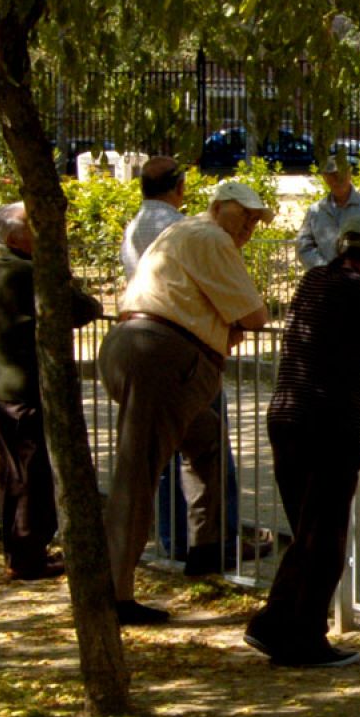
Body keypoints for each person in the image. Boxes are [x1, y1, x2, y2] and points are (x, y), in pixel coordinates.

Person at [99, 180, 270, 625]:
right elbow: (254, 315)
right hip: (163, 357)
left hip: (147, 350)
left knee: (206, 439)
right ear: (218, 208)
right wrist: (228, 324)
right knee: (137, 471)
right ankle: (112, 593)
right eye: (244, 215)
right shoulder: (211, 236)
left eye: (255, 219)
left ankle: (207, 547)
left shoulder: (184, 233)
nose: (250, 226)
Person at [244, 214, 360, 667]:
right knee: (323, 536)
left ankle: (275, 624)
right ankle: (299, 635)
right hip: (331, 426)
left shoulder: (314, 281)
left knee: (308, 530)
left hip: (288, 416)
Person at [118, 158, 257, 568]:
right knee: (204, 449)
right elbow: (228, 298)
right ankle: (213, 540)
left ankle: (176, 539)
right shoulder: (191, 230)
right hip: (182, 352)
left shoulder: (134, 227)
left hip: (145, 342)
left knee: (165, 453)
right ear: (178, 188)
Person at [0, 203, 103, 581]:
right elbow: (85, 308)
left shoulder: (1, 267)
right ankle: (26, 555)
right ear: (17, 237)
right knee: (29, 476)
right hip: (23, 386)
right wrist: (64, 277)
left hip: (5, 384)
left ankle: (22, 551)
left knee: (17, 474)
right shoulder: (27, 273)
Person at [295, 157, 360, 269]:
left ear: (350, 173)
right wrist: (325, 268)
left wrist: (359, 268)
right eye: (332, 175)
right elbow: (303, 247)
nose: (338, 179)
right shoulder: (316, 211)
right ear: (325, 177)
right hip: (326, 281)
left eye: (341, 173)